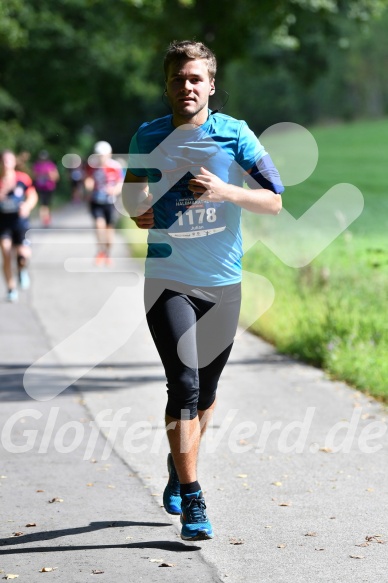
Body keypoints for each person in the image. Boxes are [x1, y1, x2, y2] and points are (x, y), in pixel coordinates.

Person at [122, 40, 284, 541]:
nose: (186, 86)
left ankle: (178, 465)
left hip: (222, 284)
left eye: (196, 78)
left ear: (212, 85)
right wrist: (135, 207)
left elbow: (274, 200)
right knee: (185, 385)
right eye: (178, 78)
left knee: (206, 392)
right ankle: (194, 498)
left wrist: (226, 191)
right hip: (167, 281)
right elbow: (131, 191)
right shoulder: (149, 134)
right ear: (167, 85)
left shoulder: (235, 135)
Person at [0, 150, 38, 302]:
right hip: (3, 223)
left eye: (9, 160)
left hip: (20, 223)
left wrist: (27, 206)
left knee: (23, 255)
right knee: (6, 253)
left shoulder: (23, 178)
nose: (6, 164)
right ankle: (11, 288)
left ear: (14, 162)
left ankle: (22, 270)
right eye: (3, 161)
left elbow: (33, 195)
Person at [85, 141, 123, 265]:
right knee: (99, 225)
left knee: (109, 231)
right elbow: (88, 179)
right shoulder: (92, 166)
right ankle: (100, 251)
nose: (101, 157)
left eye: (103, 155)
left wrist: (114, 190)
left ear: (109, 154)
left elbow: (120, 183)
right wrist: (88, 185)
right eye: (99, 155)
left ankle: (107, 252)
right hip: (96, 201)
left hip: (110, 202)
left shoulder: (115, 166)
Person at [32, 150, 60, 227]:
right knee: (42, 204)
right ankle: (45, 219)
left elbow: (56, 177)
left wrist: (49, 175)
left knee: (47, 204)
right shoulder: (37, 166)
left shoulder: (50, 165)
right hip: (40, 188)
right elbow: (34, 176)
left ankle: (46, 218)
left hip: (49, 187)